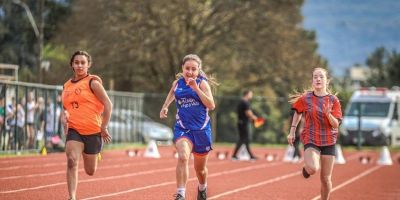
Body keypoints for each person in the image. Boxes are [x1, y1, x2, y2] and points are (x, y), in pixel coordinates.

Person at [160, 54, 216, 200]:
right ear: (182, 69)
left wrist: (196, 88)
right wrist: (165, 106)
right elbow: (172, 93)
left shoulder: (202, 83)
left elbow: (211, 105)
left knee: (200, 170)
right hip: (183, 128)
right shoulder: (177, 83)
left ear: (198, 70)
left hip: (202, 130)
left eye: (193, 69)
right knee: (183, 157)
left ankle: (202, 188)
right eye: (187, 68)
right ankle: (180, 194)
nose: (190, 72)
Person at [62, 50, 112, 200]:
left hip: (93, 131)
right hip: (74, 129)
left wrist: (104, 127)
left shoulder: (93, 83)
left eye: (83, 63)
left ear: (88, 65)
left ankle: (95, 154)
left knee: (90, 171)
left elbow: (108, 105)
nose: (79, 65)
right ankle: (72, 197)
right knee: (71, 160)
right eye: (76, 62)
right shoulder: (66, 86)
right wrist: (64, 116)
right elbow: (66, 107)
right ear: (72, 65)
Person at [287, 67, 342, 200]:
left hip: (329, 140)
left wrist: (328, 114)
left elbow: (336, 124)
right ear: (312, 81)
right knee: (313, 168)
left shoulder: (333, 100)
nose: (318, 79)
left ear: (326, 81)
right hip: (311, 137)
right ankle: (307, 169)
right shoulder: (306, 98)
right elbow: (297, 112)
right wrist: (292, 131)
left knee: (326, 179)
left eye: (321, 77)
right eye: (315, 77)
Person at [231, 90, 258, 160]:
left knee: (244, 139)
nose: (251, 96)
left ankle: (249, 155)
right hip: (244, 123)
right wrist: (254, 118)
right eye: (251, 94)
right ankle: (235, 155)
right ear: (247, 94)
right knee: (244, 139)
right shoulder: (245, 102)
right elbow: (248, 113)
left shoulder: (241, 102)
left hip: (240, 122)